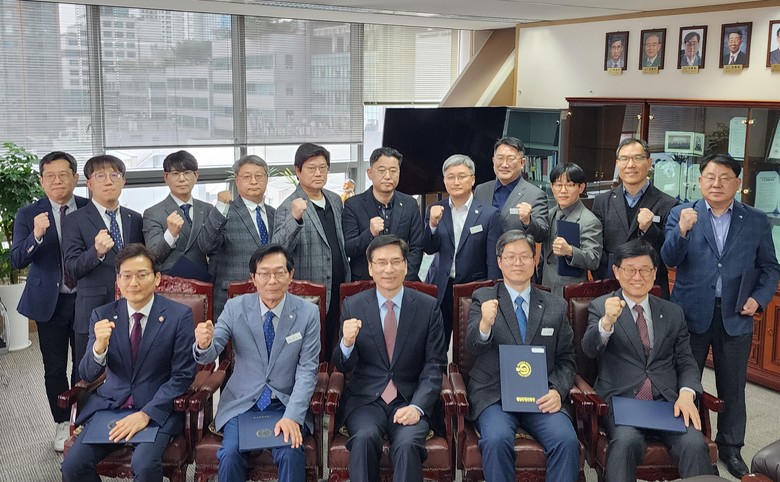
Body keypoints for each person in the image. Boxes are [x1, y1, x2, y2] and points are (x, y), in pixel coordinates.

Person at [661, 154, 780, 478]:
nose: (717, 183)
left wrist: (759, 299)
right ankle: (685, 441)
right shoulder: (682, 213)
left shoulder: (755, 220)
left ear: (737, 183)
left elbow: (770, 268)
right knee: (684, 380)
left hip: (735, 314)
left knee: (733, 387)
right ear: (700, 181)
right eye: (710, 177)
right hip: (690, 313)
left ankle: (731, 448)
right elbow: (668, 258)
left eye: (725, 177)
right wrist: (682, 231)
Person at [61, 244, 197, 482]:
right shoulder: (102, 315)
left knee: (144, 465)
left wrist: (146, 413)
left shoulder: (178, 316)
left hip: (156, 409)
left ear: (157, 279)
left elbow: (183, 376)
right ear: (118, 280)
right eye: (126, 276)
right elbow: (87, 374)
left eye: (141, 275)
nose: (133, 282)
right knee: (73, 466)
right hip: (111, 407)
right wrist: (98, 348)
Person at [582, 240, 713, 482]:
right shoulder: (601, 307)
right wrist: (607, 322)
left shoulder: (673, 312)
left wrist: (687, 393)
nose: (637, 277)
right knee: (625, 442)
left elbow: (686, 361)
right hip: (622, 402)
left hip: (666, 403)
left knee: (694, 444)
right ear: (617, 271)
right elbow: (589, 349)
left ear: (654, 273)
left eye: (645, 270)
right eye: (630, 270)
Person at [193, 244, 320, 482]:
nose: (272, 280)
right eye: (264, 273)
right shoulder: (235, 308)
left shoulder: (307, 313)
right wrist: (203, 344)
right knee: (230, 454)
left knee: (291, 452)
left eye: (279, 272)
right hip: (242, 403)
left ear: (290, 275)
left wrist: (292, 416)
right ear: (253, 277)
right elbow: (210, 353)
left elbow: (308, 370)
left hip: (285, 403)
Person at [466, 230, 580, 482]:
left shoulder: (555, 305)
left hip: (541, 396)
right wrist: (485, 325)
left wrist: (557, 391)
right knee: (496, 440)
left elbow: (567, 359)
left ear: (535, 260)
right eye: (510, 257)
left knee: (566, 441)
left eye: (524, 257)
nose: (517, 263)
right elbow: (472, 347)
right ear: (499, 262)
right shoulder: (483, 298)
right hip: (494, 395)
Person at [332, 235, 446, 482]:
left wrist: (418, 407)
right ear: (370, 268)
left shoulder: (428, 307)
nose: (388, 269)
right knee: (364, 439)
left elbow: (435, 365)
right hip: (366, 400)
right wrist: (347, 343)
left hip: (409, 398)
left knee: (407, 444)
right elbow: (342, 365)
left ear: (406, 266)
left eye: (395, 262)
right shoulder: (353, 305)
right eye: (381, 263)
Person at [10, 151, 88, 452]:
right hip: (49, 303)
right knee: (54, 367)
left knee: (85, 364)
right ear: (42, 181)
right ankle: (61, 422)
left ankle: (82, 419)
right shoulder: (28, 214)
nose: (57, 181)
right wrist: (36, 235)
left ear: (75, 177)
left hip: (85, 299)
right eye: (50, 176)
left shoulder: (88, 208)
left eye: (63, 174)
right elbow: (17, 260)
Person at [62, 155, 144, 372]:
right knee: (88, 374)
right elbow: (72, 270)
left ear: (123, 181)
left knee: (131, 369)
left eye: (114, 175)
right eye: (100, 176)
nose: (108, 181)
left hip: (132, 308)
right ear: (89, 184)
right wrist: (96, 252)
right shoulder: (74, 220)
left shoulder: (135, 218)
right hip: (93, 310)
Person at [274, 142, 350, 359]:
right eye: (311, 168)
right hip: (309, 293)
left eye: (323, 168)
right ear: (298, 171)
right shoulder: (288, 206)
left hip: (338, 285)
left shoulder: (335, 200)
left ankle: (334, 378)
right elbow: (279, 249)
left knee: (336, 341)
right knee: (311, 348)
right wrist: (295, 218)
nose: (318, 173)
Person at [423, 154, 502, 346]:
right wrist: (432, 225)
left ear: (472, 179)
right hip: (441, 286)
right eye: (450, 177)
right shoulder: (435, 209)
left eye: (462, 176)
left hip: (473, 289)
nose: (456, 182)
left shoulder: (489, 214)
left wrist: (491, 293)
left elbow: (493, 260)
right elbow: (429, 248)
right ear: (444, 180)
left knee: (469, 344)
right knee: (436, 343)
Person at [591, 138, 678, 298]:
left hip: (650, 289)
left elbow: (669, 253)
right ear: (617, 163)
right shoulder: (602, 201)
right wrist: (607, 275)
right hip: (611, 287)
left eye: (637, 158)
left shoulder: (668, 204)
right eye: (624, 159)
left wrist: (649, 229)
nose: (630, 165)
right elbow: (596, 247)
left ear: (649, 162)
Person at [198, 154, 274, 320]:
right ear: (237, 180)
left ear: (266, 179)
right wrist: (220, 207)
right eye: (247, 177)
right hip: (232, 296)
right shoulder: (224, 212)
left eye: (259, 176)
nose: (253, 181)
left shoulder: (274, 214)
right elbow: (206, 245)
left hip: (270, 295)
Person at [342, 147, 424, 281]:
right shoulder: (353, 205)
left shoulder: (410, 204)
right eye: (381, 170)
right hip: (364, 281)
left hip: (402, 280)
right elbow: (348, 248)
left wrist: (404, 277)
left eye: (393, 171)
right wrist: (370, 234)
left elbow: (417, 247)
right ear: (370, 173)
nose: (387, 176)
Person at [142, 150, 213, 275]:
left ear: (196, 175)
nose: (182, 179)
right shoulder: (153, 213)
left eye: (187, 173)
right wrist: (170, 234)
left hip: (204, 279)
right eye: (175, 173)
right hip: (171, 280)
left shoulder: (207, 209)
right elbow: (153, 257)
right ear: (166, 177)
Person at [539, 163, 602, 296]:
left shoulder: (589, 221)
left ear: (581, 187)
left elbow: (594, 260)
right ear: (552, 187)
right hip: (545, 287)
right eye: (558, 185)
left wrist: (570, 251)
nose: (563, 190)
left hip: (570, 291)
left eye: (570, 185)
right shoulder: (550, 214)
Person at [474, 137, 549, 241]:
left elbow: (542, 235)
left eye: (511, 159)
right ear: (493, 160)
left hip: (515, 251)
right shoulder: (481, 190)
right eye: (500, 158)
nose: (504, 164)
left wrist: (528, 221)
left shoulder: (535, 195)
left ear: (522, 163)